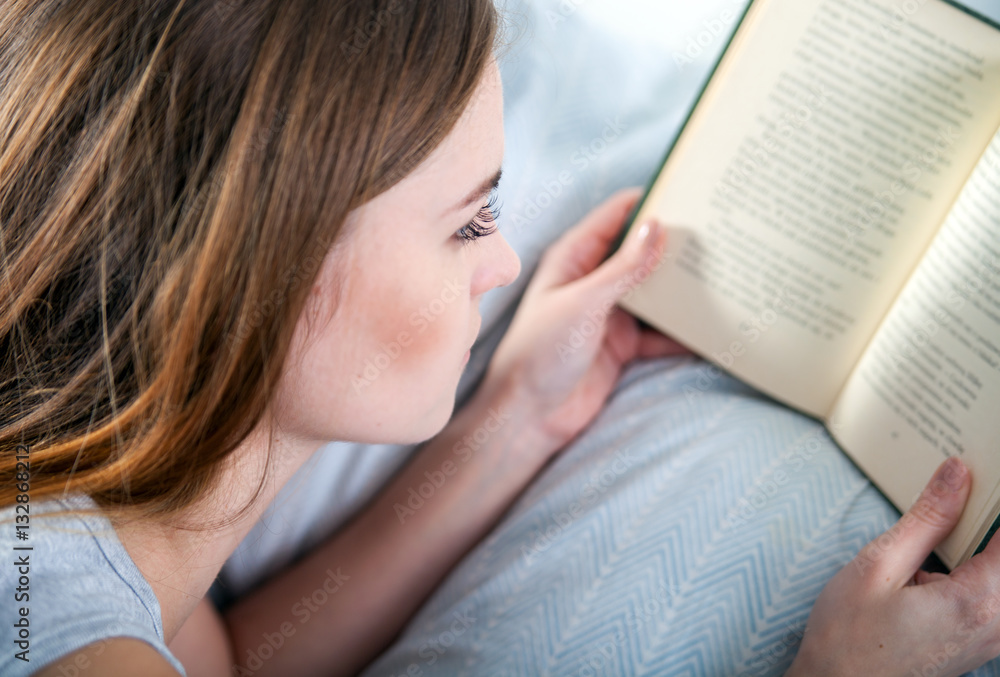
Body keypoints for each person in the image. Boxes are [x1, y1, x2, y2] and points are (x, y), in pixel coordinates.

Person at [1, 1, 999, 676]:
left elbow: (230, 660)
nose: (505, 266)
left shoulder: (74, 537)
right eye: (469, 221)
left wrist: (515, 416)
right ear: (259, 270)